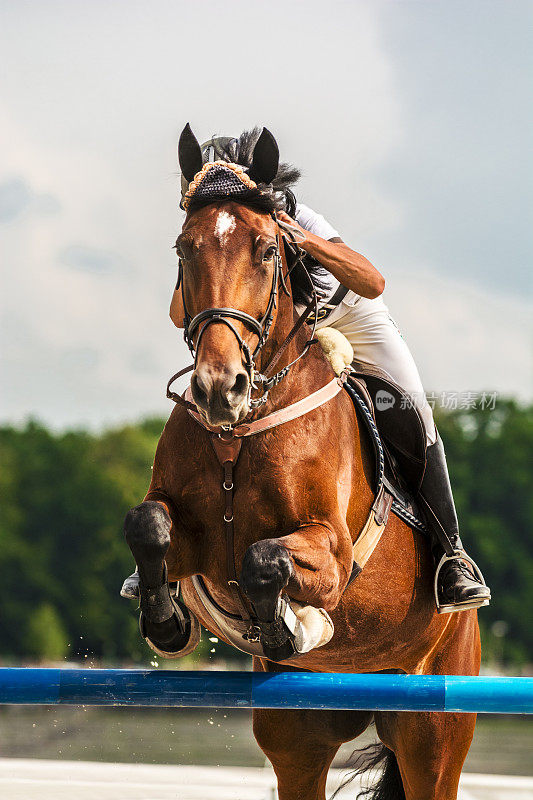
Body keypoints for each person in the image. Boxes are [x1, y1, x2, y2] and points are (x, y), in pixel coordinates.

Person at [121, 132, 490, 614]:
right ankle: (167, 566)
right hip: (271, 331)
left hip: (349, 313)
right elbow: (178, 314)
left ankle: (452, 555)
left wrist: (302, 239)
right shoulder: (213, 232)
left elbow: (373, 282)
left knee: (412, 407)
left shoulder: (299, 215)